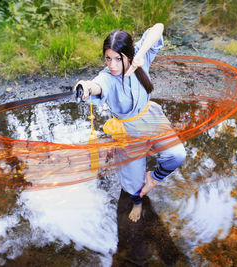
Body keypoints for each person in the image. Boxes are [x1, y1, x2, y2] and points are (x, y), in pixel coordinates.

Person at [75, 23, 186, 222]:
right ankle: (137, 201)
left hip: (152, 119)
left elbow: (158, 27)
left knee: (177, 155)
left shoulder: (140, 60)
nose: (112, 65)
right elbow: (96, 85)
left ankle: (152, 178)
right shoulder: (107, 77)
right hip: (129, 133)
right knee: (132, 185)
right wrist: (85, 87)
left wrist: (141, 54)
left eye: (118, 58)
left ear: (128, 54)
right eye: (108, 58)